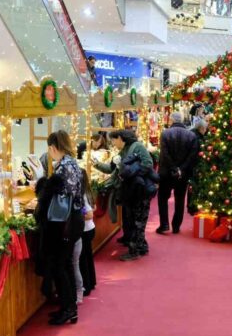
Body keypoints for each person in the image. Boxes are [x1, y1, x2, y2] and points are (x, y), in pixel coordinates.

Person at [44, 130, 85, 325]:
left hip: (65, 222)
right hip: (74, 220)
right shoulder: (72, 164)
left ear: (52, 147)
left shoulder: (63, 168)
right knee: (66, 264)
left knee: (60, 266)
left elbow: (61, 200)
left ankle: (68, 308)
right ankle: (69, 308)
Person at [96, 129, 156, 261]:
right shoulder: (124, 150)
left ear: (120, 138)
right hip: (132, 191)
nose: (112, 142)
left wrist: (128, 172)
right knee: (135, 220)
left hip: (139, 191)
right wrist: (96, 164)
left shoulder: (137, 147)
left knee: (137, 221)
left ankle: (135, 250)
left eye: (113, 139)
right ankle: (141, 247)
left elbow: (148, 164)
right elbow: (112, 168)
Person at [157, 112, 198, 235]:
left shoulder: (165, 133)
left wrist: (174, 168)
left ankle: (164, 224)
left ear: (171, 120)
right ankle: (176, 226)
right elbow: (192, 156)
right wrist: (181, 169)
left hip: (166, 172)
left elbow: (165, 154)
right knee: (180, 199)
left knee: (163, 198)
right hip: (183, 173)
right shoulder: (191, 135)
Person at [79, 169, 97, 296]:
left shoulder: (82, 195)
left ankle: (86, 285)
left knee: (82, 258)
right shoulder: (87, 191)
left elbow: (89, 214)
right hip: (89, 228)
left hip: (85, 229)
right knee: (87, 256)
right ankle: (91, 281)